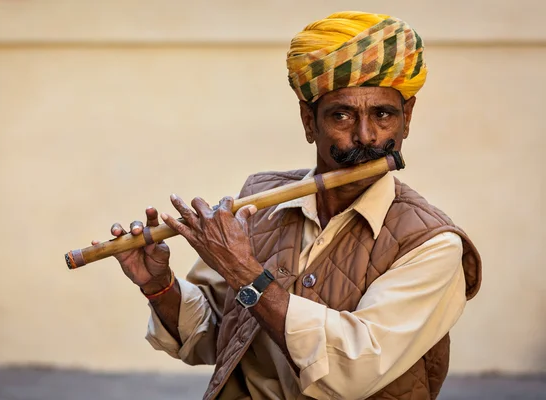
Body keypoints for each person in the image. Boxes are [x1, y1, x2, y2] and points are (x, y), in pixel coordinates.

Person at [97, 11, 482, 400]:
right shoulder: (258, 201)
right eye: (342, 115)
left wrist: (244, 272)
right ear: (309, 121)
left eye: (383, 115)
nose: (366, 136)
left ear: (407, 118)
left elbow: (351, 371)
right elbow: (215, 336)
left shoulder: (433, 245)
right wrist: (159, 286)